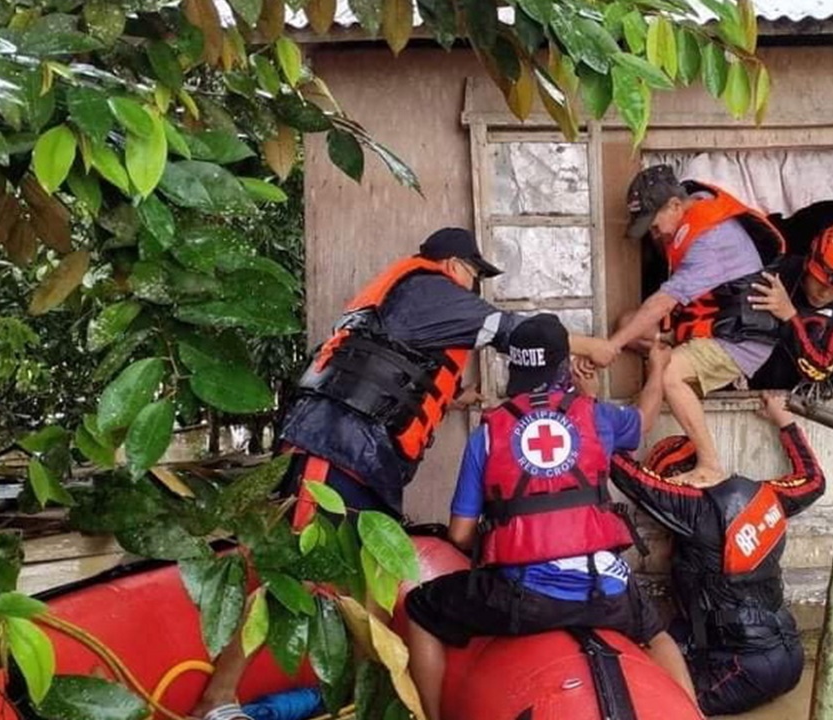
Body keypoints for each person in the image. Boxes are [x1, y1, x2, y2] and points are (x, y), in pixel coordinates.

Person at [191, 229, 599, 720]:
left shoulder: (407, 299)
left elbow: (393, 377)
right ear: (452, 264)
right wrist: (602, 345)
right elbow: (522, 333)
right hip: (335, 448)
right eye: (474, 274)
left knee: (372, 586)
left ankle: (363, 700)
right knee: (290, 571)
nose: (474, 287)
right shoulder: (430, 290)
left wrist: (457, 398)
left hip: (360, 456)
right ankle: (217, 701)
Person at [405, 314, 697, 720]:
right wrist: (657, 369)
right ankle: (694, 714)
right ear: (564, 365)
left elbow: (459, 535)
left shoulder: (488, 432)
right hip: (606, 593)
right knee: (659, 635)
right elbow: (644, 420)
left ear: (515, 368)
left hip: (525, 601)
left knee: (421, 609)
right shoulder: (595, 415)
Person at [607, 390, 826, 716]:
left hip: (740, 670)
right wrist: (785, 420)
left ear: (680, 481)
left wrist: (588, 411)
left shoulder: (693, 509)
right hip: (791, 657)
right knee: (668, 639)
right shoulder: (765, 496)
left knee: (643, 703)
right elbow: (813, 480)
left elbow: (628, 474)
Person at [589, 165, 788, 488]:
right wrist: (621, 336)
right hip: (712, 325)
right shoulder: (693, 207)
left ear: (674, 206)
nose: (657, 235)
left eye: (654, 226)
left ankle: (710, 465)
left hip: (741, 341)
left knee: (668, 372)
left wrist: (610, 346)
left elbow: (662, 303)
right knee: (629, 324)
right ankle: (671, 361)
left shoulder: (709, 240)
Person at [748, 223, 833, 391]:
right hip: (749, 383)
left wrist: (790, 317)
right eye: (819, 281)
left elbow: (819, 370)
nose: (824, 293)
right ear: (808, 262)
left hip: (797, 397)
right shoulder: (779, 273)